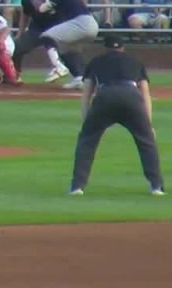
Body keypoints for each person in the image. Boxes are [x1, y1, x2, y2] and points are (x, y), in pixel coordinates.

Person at [69, 35, 166, 197]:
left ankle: (77, 187)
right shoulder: (135, 62)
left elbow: (86, 93)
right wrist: (148, 125)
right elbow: (145, 93)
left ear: (105, 48)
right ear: (123, 48)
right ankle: (156, 186)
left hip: (106, 96)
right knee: (146, 142)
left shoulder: (96, 61)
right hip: (131, 97)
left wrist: (87, 123)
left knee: (87, 142)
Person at [35, 0, 100, 88]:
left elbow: (41, 9)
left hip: (82, 22)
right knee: (66, 49)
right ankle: (80, 77)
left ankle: (58, 67)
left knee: (46, 37)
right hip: (87, 23)